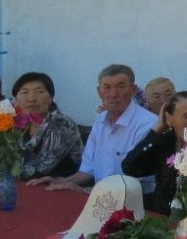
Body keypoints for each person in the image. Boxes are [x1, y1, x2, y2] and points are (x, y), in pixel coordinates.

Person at [27, 64, 157, 193]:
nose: (113, 94)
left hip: (136, 200)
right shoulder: (101, 120)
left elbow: (136, 183)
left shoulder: (147, 124)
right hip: (99, 197)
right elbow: (88, 169)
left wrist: (85, 191)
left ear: (133, 90)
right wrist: (60, 182)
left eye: (120, 87)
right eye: (107, 87)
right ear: (99, 92)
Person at [121, 91, 187, 214]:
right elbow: (129, 167)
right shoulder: (165, 143)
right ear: (169, 118)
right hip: (163, 215)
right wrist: (155, 130)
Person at [11, 72, 84, 180]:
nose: (31, 99)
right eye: (25, 92)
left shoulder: (61, 124)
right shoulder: (18, 123)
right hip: (28, 185)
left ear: (50, 98)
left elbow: (40, 169)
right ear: (16, 100)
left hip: (63, 185)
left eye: (39, 92)